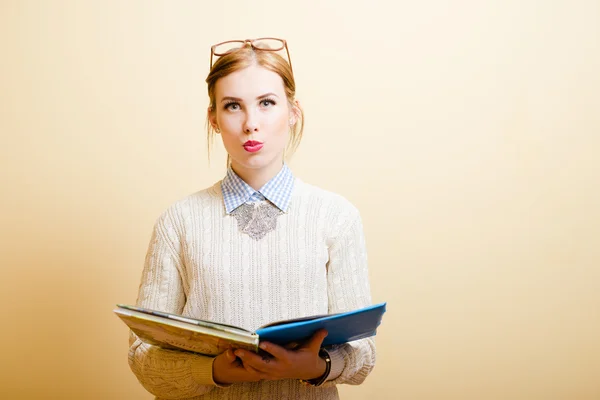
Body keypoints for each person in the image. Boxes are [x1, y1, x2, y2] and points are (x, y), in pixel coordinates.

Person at [128, 38, 376, 400]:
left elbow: (364, 354)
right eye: (233, 106)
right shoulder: (178, 222)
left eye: (266, 103)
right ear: (213, 118)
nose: (250, 124)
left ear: (292, 111)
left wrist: (317, 366)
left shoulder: (336, 217)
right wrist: (213, 371)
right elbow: (142, 356)